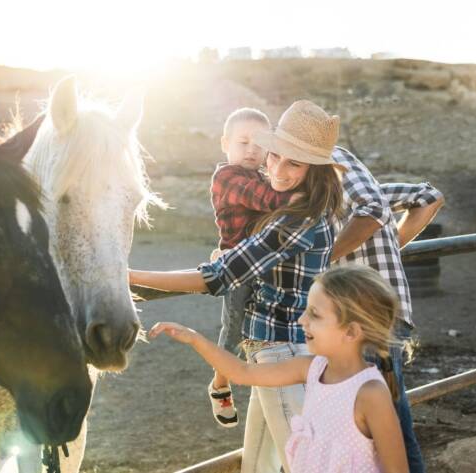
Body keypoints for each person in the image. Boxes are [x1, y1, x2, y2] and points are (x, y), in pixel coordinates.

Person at [130, 99, 345, 473]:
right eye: (275, 155)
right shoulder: (311, 205)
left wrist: (130, 276)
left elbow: (217, 277)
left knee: (307, 465)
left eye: (293, 162)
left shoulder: (300, 219)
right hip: (273, 349)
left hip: (280, 350)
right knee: (259, 464)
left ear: (315, 169)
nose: (276, 167)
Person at [149, 265, 410, 473]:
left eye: (314, 315)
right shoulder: (312, 369)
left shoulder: (370, 393)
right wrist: (195, 338)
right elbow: (244, 372)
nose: (301, 320)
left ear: (351, 331)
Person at [331, 146, 445, 473]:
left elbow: (425, 197)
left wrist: (329, 256)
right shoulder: (373, 195)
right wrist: (393, 241)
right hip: (373, 314)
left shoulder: (339, 182)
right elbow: (430, 196)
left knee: (384, 426)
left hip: (370, 315)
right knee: (387, 417)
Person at [206, 108, 299, 428]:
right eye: (243, 142)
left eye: (260, 144)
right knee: (233, 328)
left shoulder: (263, 174)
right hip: (238, 268)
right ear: (225, 144)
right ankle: (219, 384)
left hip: (267, 266)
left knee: (266, 332)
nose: (251, 150)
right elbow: (270, 200)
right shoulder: (228, 177)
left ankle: (272, 384)